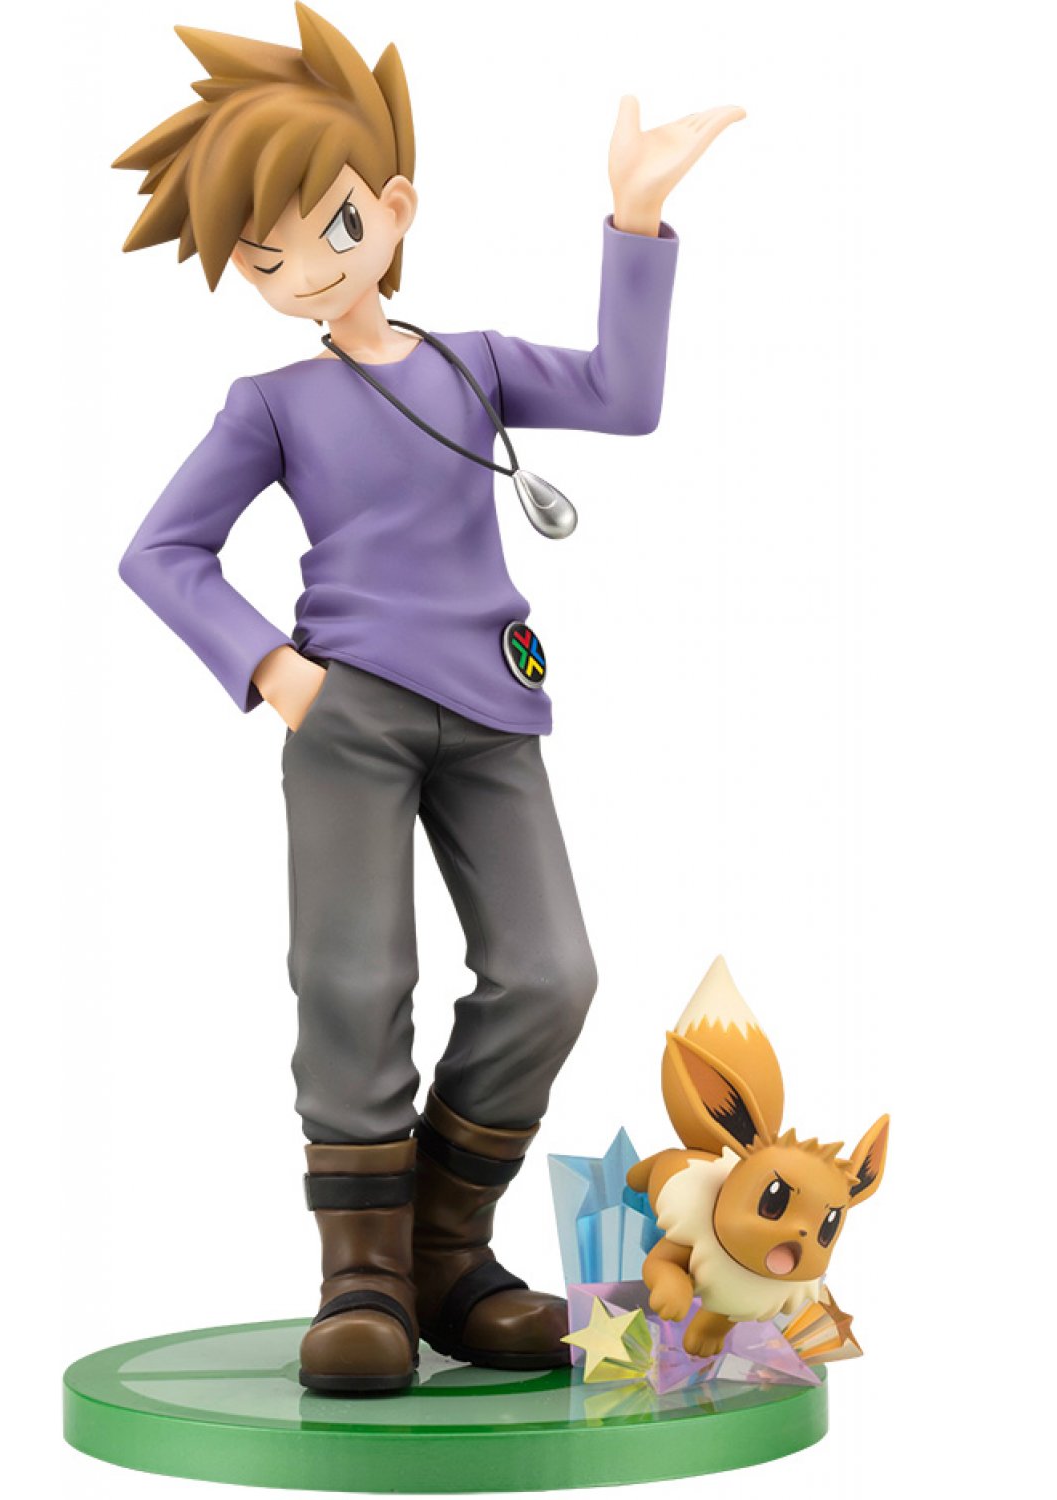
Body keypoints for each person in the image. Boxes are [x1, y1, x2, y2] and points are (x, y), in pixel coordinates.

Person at [114, 4, 743, 1394]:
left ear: (393, 209)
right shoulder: (271, 402)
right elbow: (160, 552)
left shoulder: (473, 364)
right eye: (263, 254)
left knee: (550, 970)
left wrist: (635, 220)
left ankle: (447, 1256)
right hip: (349, 712)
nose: (304, 269)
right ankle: (363, 1275)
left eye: (330, 226)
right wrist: (273, 668)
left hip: (491, 704)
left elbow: (625, 396)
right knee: (352, 976)